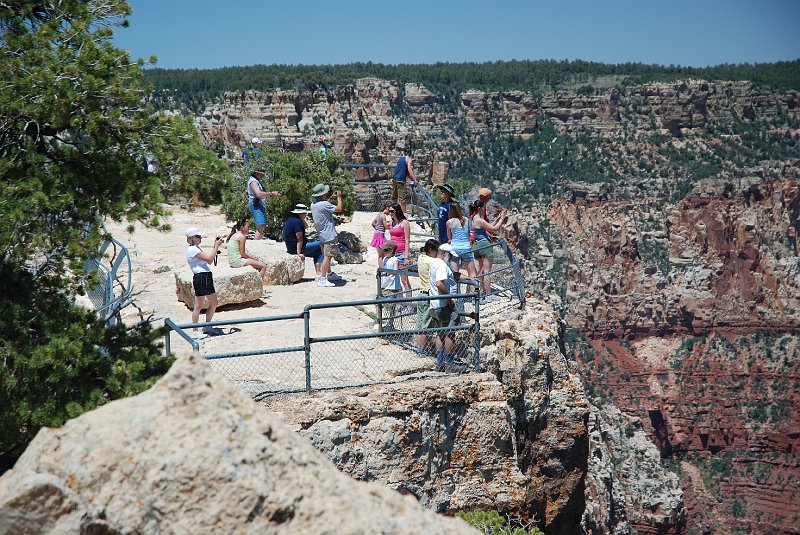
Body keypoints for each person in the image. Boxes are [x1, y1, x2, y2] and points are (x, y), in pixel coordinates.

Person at [184, 228, 224, 340]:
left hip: (205, 276)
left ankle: (207, 326)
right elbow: (209, 259)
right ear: (193, 238)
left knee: (214, 303)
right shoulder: (192, 249)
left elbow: (210, 260)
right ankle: (195, 330)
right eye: (199, 236)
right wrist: (216, 246)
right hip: (201, 277)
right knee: (198, 306)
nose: (200, 238)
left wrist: (215, 247)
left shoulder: (196, 248)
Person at [429, 241, 460, 371]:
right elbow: (439, 284)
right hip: (443, 305)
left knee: (440, 334)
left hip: (434, 304)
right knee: (450, 334)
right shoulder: (441, 264)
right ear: (444, 253)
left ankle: (440, 363)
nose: (451, 258)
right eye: (450, 256)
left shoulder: (434, 263)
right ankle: (450, 364)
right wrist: (449, 300)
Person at [469, 200, 509, 300]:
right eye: (484, 208)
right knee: (487, 271)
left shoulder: (473, 219)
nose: (485, 210)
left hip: (477, 246)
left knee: (477, 271)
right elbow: (494, 228)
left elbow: (488, 227)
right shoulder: (479, 220)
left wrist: (498, 218)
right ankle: (488, 294)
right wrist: (502, 219)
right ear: (479, 208)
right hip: (485, 245)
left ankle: (473, 295)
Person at [310, 183, 343, 288]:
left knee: (325, 256)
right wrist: (339, 197)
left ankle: (329, 274)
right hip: (329, 235)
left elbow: (325, 206)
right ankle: (323, 279)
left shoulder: (314, 204)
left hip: (322, 234)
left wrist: (331, 198)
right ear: (322, 194)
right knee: (328, 257)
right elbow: (339, 209)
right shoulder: (324, 204)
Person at [282, 203, 324, 281]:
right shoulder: (297, 222)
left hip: (291, 247)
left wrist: (302, 219)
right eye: (305, 213)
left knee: (318, 251)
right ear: (300, 213)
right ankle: (328, 260)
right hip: (297, 248)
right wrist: (299, 253)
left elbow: (306, 227)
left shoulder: (291, 219)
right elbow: (299, 239)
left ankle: (318, 274)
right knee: (322, 243)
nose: (306, 215)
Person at [414, 239, 440, 355]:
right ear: (430, 250)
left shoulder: (421, 258)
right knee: (425, 326)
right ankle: (422, 351)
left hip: (422, 293)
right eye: (437, 250)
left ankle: (419, 349)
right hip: (429, 294)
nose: (438, 252)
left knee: (420, 324)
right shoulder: (433, 262)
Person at [247, 169, 281, 240]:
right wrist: (272, 194)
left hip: (259, 205)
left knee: (261, 226)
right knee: (260, 225)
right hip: (256, 205)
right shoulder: (253, 181)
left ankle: (257, 242)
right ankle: (256, 244)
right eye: (261, 173)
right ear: (256, 173)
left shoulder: (256, 181)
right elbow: (258, 193)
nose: (263, 175)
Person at [446, 202, 477, 280]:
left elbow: (449, 239)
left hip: (455, 249)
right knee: (472, 274)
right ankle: (474, 291)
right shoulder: (466, 220)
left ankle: (456, 291)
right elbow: (468, 234)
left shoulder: (449, 222)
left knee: (455, 274)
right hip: (466, 248)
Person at [388, 203, 411, 296]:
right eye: (389, 211)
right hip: (392, 254)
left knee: (404, 280)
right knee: (395, 279)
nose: (390, 213)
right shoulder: (391, 223)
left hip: (401, 253)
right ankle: (400, 301)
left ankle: (409, 303)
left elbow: (407, 240)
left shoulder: (404, 223)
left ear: (397, 211)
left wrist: (406, 256)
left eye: (392, 211)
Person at [378, 240, 402, 330]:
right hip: (385, 284)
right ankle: (380, 321)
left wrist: (390, 273)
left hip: (392, 286)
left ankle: (390, 323)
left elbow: (395, 271)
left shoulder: (395, 259)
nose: (383, 252)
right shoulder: (385, 259)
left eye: (385, 250)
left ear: (391, 251)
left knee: (391, 307)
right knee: (379, 303)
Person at [391, 149, 417, 214]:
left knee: (394, 197)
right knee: (402, 199)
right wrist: (415, 180)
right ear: (410, 155)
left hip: (394, 179)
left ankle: (394, 213)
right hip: (401, 180)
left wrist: (412, 179)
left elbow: (405, 172)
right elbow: (409, 169)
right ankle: (403, 216)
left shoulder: (400, 159)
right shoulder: (409, 159)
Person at [370, 201, 392, 268]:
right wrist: (391, 222)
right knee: (382, 254)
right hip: (380, 235)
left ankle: (381, 268)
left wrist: (377, 228)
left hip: (377, 234)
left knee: (380, 254)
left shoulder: (379, 214)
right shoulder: (383, 216)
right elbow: (386, 226)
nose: (390, 212)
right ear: (387, 208)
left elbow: (373, 223)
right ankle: (382, 269)